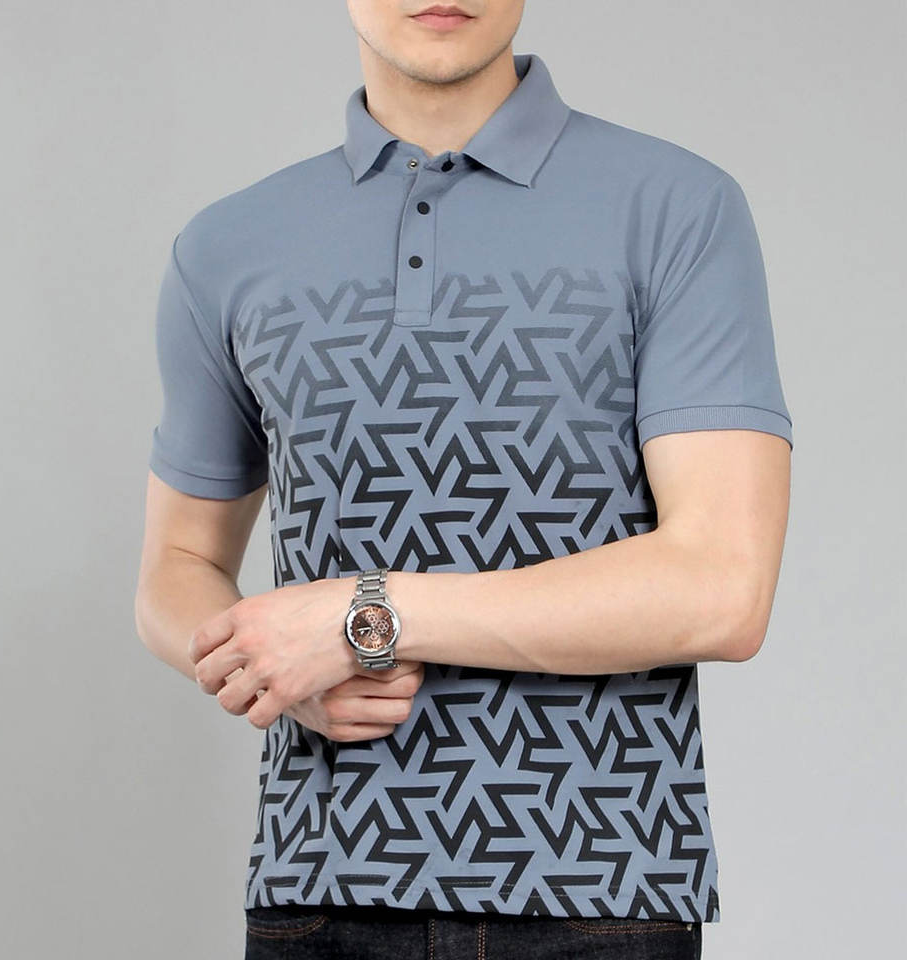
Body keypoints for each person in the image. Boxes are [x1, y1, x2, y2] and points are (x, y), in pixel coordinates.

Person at [135, 2, 793, 957]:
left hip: (603, 891)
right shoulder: (226, 246)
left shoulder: (677, 207)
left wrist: (365, 615)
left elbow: (722, 590)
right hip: (319, 891)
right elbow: (174, 567)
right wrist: (271, 666)